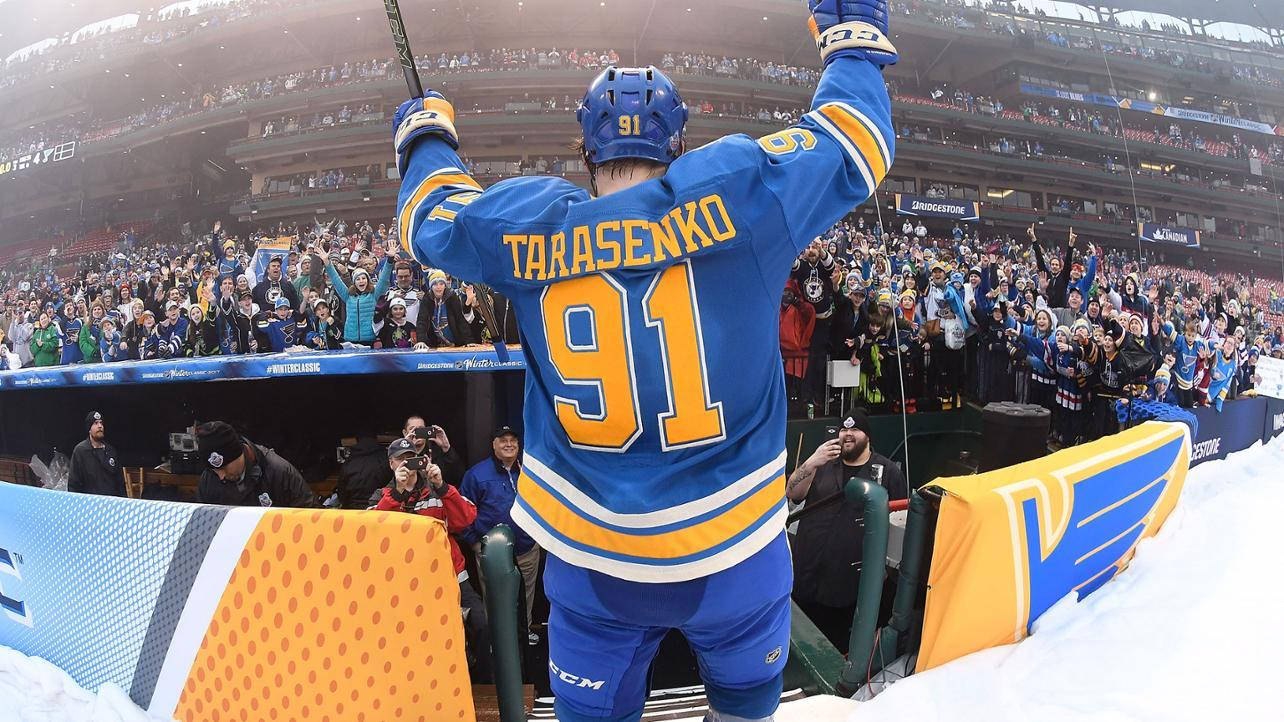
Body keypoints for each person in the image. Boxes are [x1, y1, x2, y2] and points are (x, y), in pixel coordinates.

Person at [393, 0, 896, 718]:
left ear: (584, 153)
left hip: (595, 567)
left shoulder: (526, 227)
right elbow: (858, 141)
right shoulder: (740, 191)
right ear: (680, 148)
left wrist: (429, 137)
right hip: (737, 554)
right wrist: (851, 45)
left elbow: (430, 216)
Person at [785, 411, 905, 652]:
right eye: (843, 430)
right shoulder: (822, 463)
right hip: (807, 575)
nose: (847, 434)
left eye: (854, 429)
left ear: (867, 436)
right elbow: (792, 493)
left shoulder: (888, 471)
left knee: (836, 646)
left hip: (848, 587)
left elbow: (899, 519)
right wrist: (810, 463)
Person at [372, 437, 490, 682]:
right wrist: (397, 493)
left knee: (481, 623)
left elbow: (467, 519)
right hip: (404, 584)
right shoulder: (382, 495)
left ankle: (478, 684)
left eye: (411, 458)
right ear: (391, 464)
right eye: (401, 460)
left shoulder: (437, 489)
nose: (407, 464)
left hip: (450, 577)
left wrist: (443, 485)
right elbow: (372, 531)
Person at [458, 426, 542, 644]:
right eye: (503, 440)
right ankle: (498, 640)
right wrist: (475, 543)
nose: (509, 444)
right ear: (493, 444)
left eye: (513, 440)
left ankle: (523, 634)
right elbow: (462, 511)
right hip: (492, 552)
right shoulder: (477, 475)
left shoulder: (529, 471)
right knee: (495, 598)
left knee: (525, 595)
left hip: (526, 547)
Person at [195, 421, 316, 507]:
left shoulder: (279, 472)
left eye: (224, 467)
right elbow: (201, 522)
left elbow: (310, 516)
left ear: (238, 453)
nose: (221, 476)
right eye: (215, 470)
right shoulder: (210, 477)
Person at [67, 411, 126, 497]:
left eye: (101, 423)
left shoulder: (111, 451)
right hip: (90, 504)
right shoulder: (81, 451)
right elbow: (74, 484)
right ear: (89, 429)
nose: (100, 426)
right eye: (95, 423)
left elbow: (120, 483)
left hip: (110, 503)